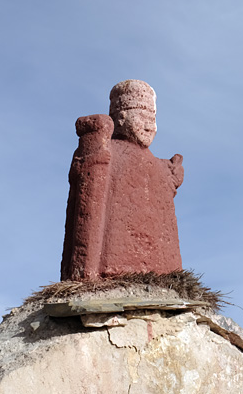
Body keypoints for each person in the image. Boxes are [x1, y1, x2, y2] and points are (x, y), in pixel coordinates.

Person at [61, 80, 184, 280]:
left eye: (153, 119)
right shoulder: (107, 152)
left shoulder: (159, 166)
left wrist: (171, 177)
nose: (149, 126)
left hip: (158, 264)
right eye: (142, 117)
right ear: (121, 118)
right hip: (113, 262)